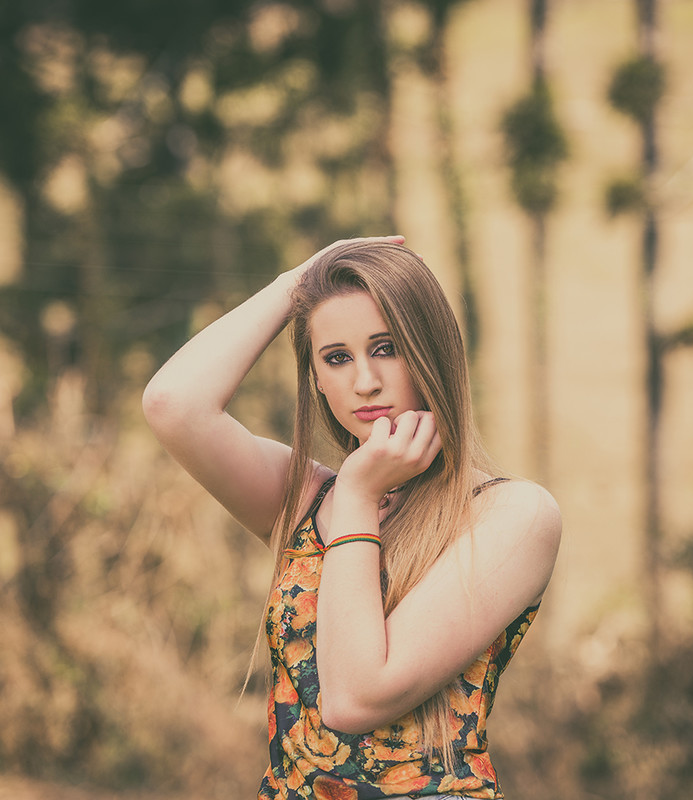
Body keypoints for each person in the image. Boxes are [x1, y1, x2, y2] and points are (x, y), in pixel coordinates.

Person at [142, 236, 561, 799]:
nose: (364, 381)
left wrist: (359, 496)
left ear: (430, 352)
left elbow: (355, 698)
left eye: (386, 348)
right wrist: (298, 282)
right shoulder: (304, 501)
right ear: (316, 376)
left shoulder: (512, 516)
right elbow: (173, 404)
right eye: (336, 357)